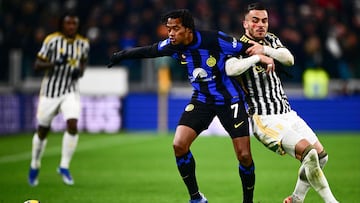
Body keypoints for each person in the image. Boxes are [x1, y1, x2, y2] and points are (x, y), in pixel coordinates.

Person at [108, 9, 263, 203]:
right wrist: (121, 55)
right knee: (179, 145)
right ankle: (196, 198)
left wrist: (267, 57)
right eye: (168, 29)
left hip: (230, 100)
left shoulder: (214, 39)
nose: (170, 33)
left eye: (175, 29)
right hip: (202, 100)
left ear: (188, 29)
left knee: (244, 156)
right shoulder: (173, 46)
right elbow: (148, 50)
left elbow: (246, 48)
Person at [225, 3, 339, 203]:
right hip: (264, 118)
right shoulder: (237, 46)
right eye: (255, 20)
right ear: (245, 24)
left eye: (264, 20)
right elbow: (231, 69)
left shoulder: (270, 40)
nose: (261, 25)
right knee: (309, 154)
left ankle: (296, 199)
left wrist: (265, 49)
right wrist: (257, 57)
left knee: (321, 158)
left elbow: (289, 59)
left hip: (287, 113)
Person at [28, 11, 90, 186]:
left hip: (70, 90)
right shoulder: (51, 40)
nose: (71, 27)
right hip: (50, 92)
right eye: (68, 23)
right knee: (42, 130)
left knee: (72, 124)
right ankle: (35, 163)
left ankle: (64, 166)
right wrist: (55, 63)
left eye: (74, 24)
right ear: (62, 25)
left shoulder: (83, 43)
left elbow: (83, 63)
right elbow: (37, 65)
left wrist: (80, 71)